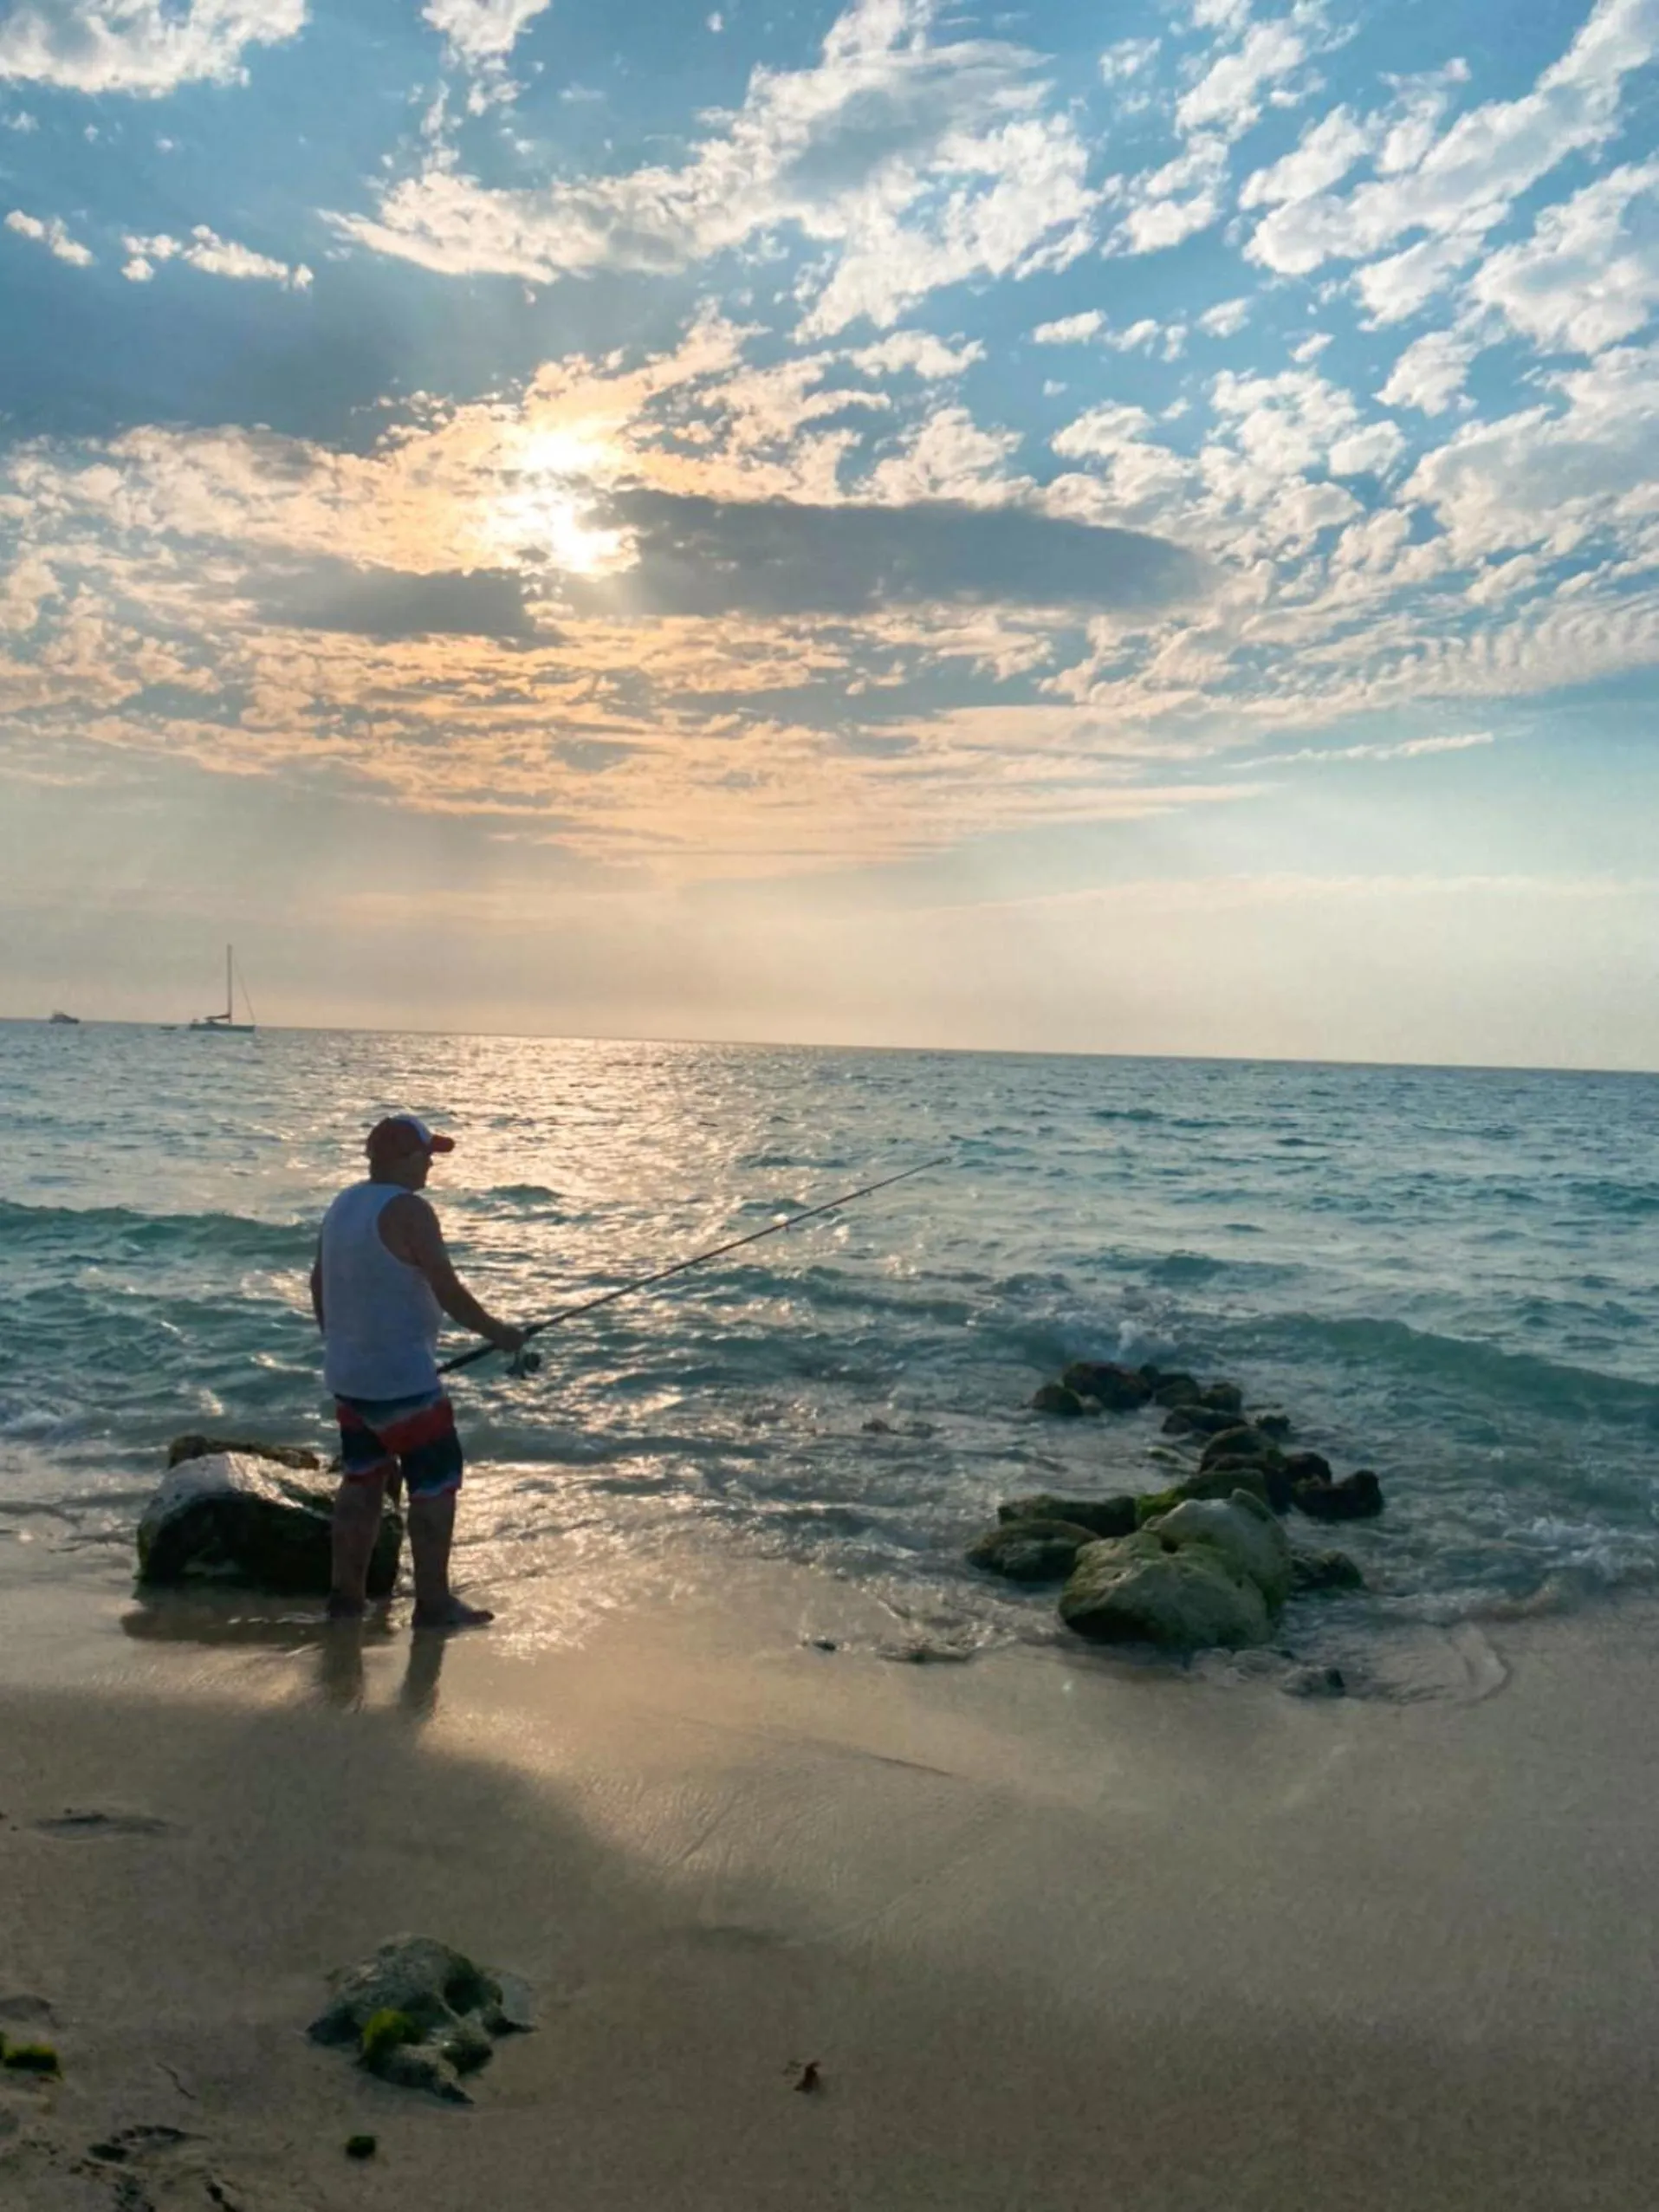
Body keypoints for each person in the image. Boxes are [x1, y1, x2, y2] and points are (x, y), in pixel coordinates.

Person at [310, 1114, 524, 1630]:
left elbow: (319, 1284)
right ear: (401, 1158)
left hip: (350, 1377)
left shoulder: (343, 1204)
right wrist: (503, 1335)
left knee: (361, 1479)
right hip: (402, 1382)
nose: (431, 1164)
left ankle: (346, 1600)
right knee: (434, 1480)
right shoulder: (410, 1211)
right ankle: (433, 1604)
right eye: (425, 1155)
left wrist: (341, 1343)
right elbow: (448, 1291)